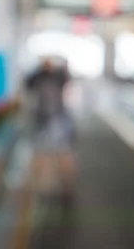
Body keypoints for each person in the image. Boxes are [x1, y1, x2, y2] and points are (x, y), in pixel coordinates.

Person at [25, 57, 76, 197]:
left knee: (63, 154)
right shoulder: (38, 78)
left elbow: (66, 77)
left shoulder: (57, 77)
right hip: (42, 121)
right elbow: (28, 82)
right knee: (40, 155)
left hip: (57, 120)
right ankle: (37, 189)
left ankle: (67, 187)